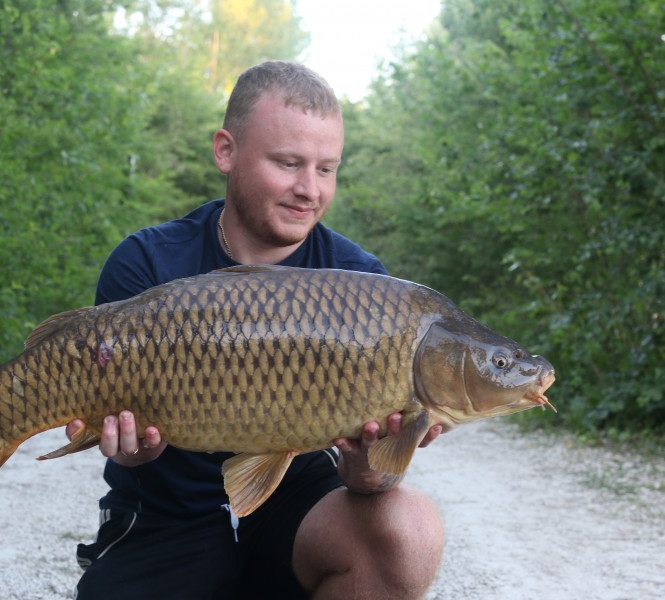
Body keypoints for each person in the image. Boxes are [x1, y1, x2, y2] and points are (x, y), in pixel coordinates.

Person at [68, 60, 445, 600]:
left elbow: (370, 484)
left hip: (295, 510)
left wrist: (370, 467)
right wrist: (131, 448)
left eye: (326, 169)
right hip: (165, 516)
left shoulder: (363, 284)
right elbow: (121, 446)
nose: (308, 190)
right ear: (226, 151)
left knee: (408, 528)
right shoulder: (144, 263)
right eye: (289, 163)